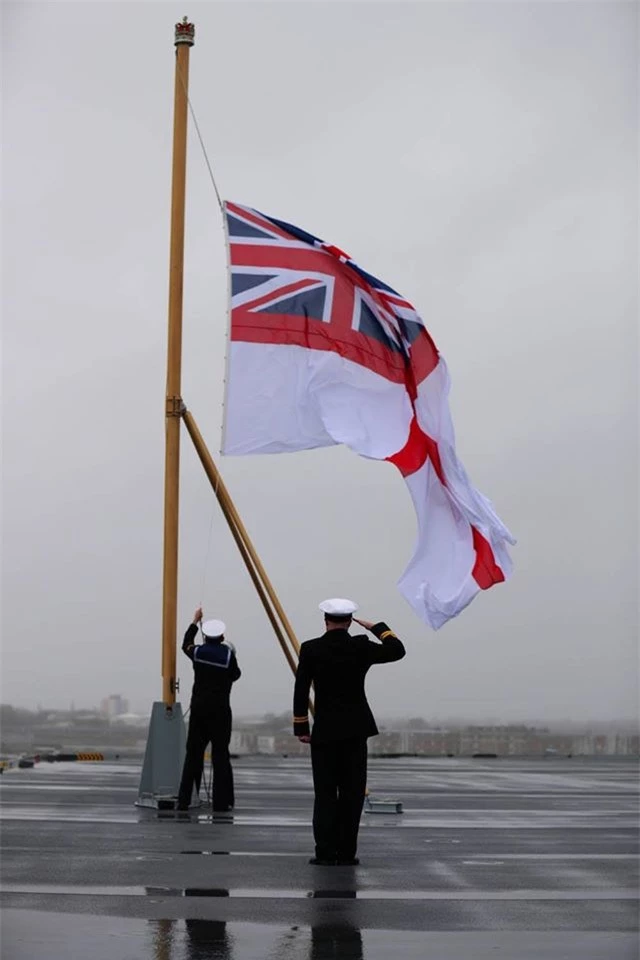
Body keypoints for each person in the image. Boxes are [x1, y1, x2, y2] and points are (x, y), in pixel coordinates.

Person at [293, 598, 405, 865]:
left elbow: (301, 688)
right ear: (349, 621)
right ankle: (346, 853)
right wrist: (377, 627)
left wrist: (301, 726)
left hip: (324, 732)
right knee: (352, 795)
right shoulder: (360, 646)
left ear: (325, 620)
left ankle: (324, 852)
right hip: (356, 731)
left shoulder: (311, 648)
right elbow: (397, 650)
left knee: (325, 795)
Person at [177, 607, 241, 812]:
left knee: (193, 755)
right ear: (222, 636)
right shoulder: (228, 655)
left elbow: (186, 644)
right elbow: (236, 675)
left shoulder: (198, 653)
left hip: (199, 711)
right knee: (221, 756)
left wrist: (195, 622)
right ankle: (222, 803)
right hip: (221, 712)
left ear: (205, 636)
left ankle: (184, 800)